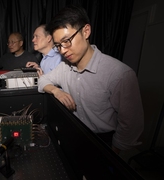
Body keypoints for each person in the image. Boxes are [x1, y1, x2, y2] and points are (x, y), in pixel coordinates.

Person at [38, 5, 144, 154]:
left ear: (86, 31)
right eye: (58, 46)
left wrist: (113, 152)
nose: (63, 50)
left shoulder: (119, 74)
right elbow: (42, 81)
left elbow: (131, 124)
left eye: (67, 40)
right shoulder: (64, 67)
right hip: (74, 134)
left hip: (104, 142)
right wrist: (56, 91)